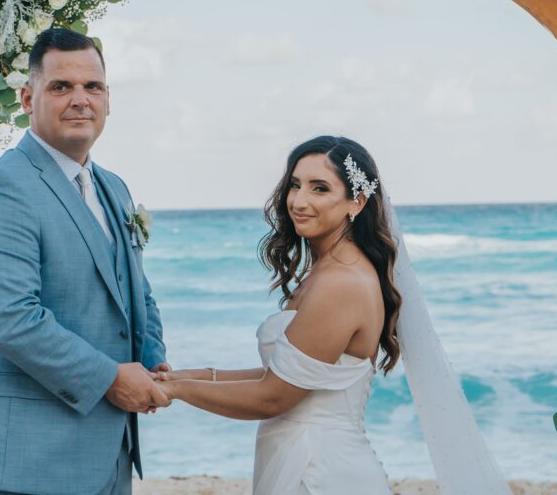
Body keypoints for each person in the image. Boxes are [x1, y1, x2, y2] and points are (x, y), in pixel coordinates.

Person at [0, 28, 170, 495]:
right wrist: (111, 379)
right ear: (28, 97)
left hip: (108, 450)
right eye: (61, 87)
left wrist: (152, 359)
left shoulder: (114, 188)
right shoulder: (2, 188)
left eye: (93, 87)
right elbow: (9, 319)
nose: (80, 99)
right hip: (28, 458)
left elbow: (134, 289)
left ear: (109, 98)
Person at [155, 136, 400, 493]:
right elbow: (288, 374)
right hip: (300, 454)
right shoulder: (329, 269)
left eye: (320, 189)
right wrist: (188, 375)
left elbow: (275, 396)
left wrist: (178, 390)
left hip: (320, 470)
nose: (299, 201)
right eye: (295, 185)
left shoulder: (342, 282)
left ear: (356, 202)